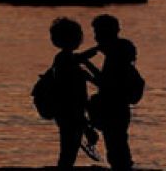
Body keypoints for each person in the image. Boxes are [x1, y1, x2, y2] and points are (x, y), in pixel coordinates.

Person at [83, 14, 138, 171]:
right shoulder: (119, 53)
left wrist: (87, 70)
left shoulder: (114, 58)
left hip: (114, 108)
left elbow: (106, 84)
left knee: (116, 146)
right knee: (118, 143)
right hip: (120, 108)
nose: (96, 37)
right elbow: (105, 80)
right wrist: (88, 63)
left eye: (97, 32)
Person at [47, 17, 96, 167]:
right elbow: (73, 93)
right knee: (69, 151)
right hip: (70, 110)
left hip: (67, 111)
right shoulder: (66, 60)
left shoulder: (63, 58)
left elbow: (80, 58)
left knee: (68, 149)